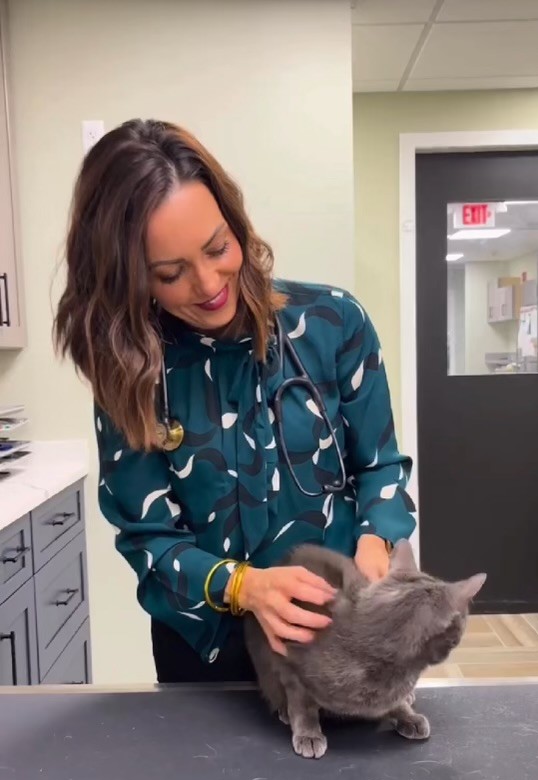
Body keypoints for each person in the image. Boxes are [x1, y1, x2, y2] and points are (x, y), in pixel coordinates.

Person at [54, 119, 416, 684]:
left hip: (341, 649)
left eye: (218, 247)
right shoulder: (132, 369)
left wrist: (376, 540)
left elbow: (380, 467)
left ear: (235, 222)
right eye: (170, 274)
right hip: (208, 660)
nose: (208, 284)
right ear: (131, 280)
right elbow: (149, 538)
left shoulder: (332, 323)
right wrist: (244, 587)